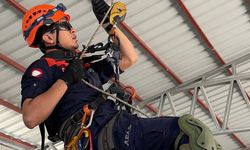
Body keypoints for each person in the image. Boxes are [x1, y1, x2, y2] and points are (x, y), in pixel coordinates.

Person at [21, 0, 222, 150]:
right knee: (189, 132)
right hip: (100, 133)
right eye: (65, 26)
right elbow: (31, 117)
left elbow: (129, 57)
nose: (73, 29)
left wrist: (109, 25)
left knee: (208, 143)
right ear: (48, 37)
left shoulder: (83, 67)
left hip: (115, 127)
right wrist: (66, 80)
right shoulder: (43, 68)